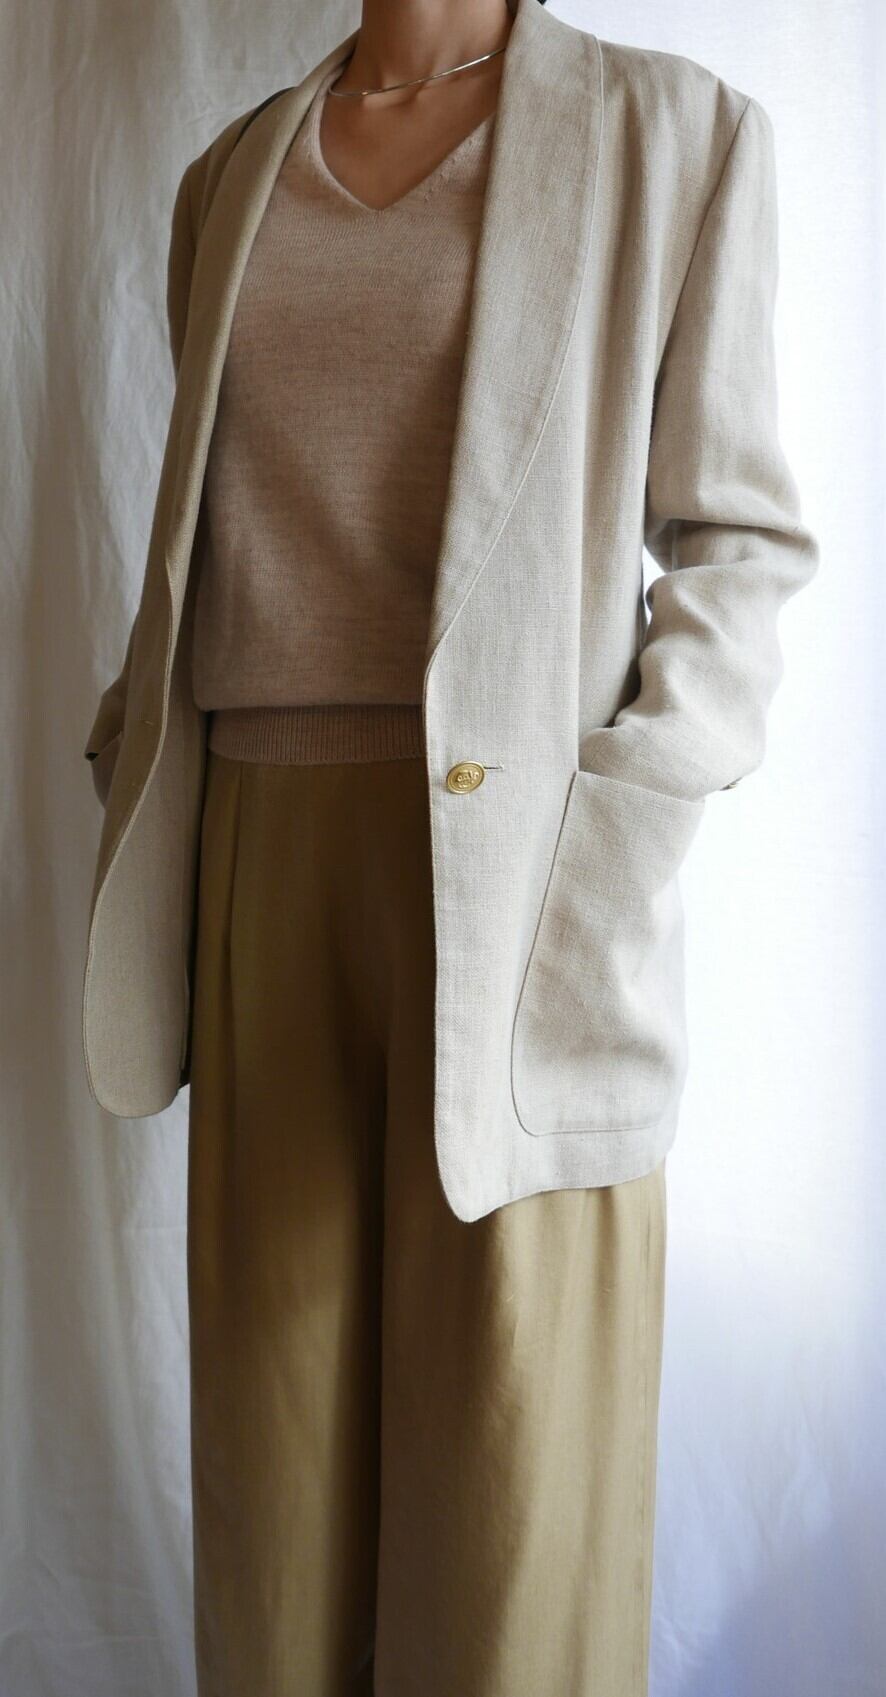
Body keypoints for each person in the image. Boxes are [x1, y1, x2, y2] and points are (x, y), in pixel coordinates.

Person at [81, 0, 819, 1690]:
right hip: (260, 876)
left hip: (527, 894)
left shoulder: (671, 137)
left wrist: (623, 816)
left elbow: (739, 543)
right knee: (281, 1523)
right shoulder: (227, 177)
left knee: (513, 1518)